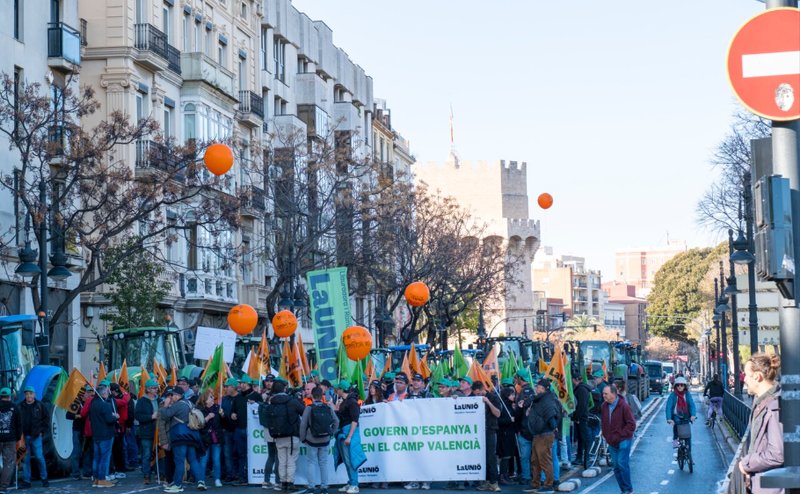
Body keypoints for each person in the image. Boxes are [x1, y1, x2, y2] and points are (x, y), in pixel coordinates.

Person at [739, 353, 783, 494]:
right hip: (765, 483)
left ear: (757, 376)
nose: (744, 379)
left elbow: (777, 454)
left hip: (771, 487)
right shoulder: (763, 402)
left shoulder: (774, 406)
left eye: (746, 375)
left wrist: (746, 464)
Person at [160, 386, 205, 493]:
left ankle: (178, 485)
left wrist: (165, 406)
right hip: (192, 436)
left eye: (172, 395)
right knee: (193, 460)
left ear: (177, 395)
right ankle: (201, 481)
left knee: (179, 461)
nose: (171, 397)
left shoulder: (178, 405)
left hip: (180, 436)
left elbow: (166, 415)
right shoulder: (190, 403)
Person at [299, 386, 339, 494]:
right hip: (325, 439)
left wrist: (302, 438)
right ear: (322, 396)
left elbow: (303, 424)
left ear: (312, 396)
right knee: (323, 463)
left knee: (311, 463)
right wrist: (331, 433)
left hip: (312, 439)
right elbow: (336, 421)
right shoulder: (328, 407)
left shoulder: (309, 408)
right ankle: (324, 487)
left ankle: (311, 486)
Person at [523, 378, 559, 494]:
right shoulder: (539, 399)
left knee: (545, 460)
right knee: (535, 460)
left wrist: (551, 428)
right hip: (538, 434)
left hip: (545, 434)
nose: (536, 388)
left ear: (543, 389)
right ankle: (535, 483)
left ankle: (548, 485)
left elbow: (551, 417)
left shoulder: (547, 400)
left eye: (538, 387)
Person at [269, 378, 305, 492]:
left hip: (278, 436)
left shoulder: (272, 402)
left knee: (282, 460)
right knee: (291, 461)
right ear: (285, 388)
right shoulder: (292, 401)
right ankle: (290, 483)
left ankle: (283, 483)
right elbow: (304, 412)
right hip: (292, 435)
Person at [600, 384, 635, 494]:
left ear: (613, 394)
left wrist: (620, 435)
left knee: (622, 463)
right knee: (615, 466)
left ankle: (628, 489)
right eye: (603, 393)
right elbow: (604, 422)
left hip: (624, 439)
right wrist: (606, 435)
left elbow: (631, 424)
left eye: (606, 393)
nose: (603, 395)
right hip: (611, 441)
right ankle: (623, 489)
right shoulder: (604, 406)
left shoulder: (624, 406)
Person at [335, 380, 365, 494]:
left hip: (348, 433)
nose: (336, 390)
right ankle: (351, 482)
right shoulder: (346, 401)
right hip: (343, 433)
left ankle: (354, 485)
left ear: (342, 389)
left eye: (338, 388)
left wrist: (349, 437)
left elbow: (355, 420)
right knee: (347, 460)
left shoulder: (351, 402)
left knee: (350, 460)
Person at [89, 381, 120, 488]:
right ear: (104, 394)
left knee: (96, 457)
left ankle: (96, 479)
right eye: (107, 391)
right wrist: (115, 416)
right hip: (106, 434)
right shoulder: (105, 405)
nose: (108, 393)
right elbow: (109, 420)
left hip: (96, 434)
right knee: (104, 458)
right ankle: (102, 479)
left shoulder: (92, 404)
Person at [473, 381, 502, 492]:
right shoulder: (474, 397)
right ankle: (486, 482)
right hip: (478, 432)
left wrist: (488, 402)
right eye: (475, 394)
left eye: (479, 393)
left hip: (490, 430)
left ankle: (494, 482)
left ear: (483, 389)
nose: (477, 396)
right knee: (482, 457)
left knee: (491, 457)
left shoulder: (493, 397)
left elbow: (498, 414)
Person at [19, 385, 49, 488]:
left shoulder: (40, 405)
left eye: (30, 394)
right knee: (25, 460)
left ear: (34, 394)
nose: (29, 396)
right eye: (27, 394)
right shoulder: (20, 406)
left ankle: (44, 479)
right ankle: (27, 481)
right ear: (25, 395)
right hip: (24, 437)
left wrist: (42, 431)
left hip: (36, 437)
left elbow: (46, 420)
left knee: (39, 457)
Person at [134, 380, 160, 484]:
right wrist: (151, 417)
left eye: (156, 387)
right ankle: (146, 474)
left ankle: (160, 473)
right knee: (147, 454)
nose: (156, 390)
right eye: (154, 388)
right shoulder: (142, 401)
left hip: (158, 431)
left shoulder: (159, 400)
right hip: (146, 432)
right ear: (148, 389)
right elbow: (137, 416)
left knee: (159, 452)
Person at [66, 385, 92, 481]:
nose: (89, 394)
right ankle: (75, 473)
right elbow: (68, 415)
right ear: (82, 393)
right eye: (87, 392)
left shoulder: (90, 402)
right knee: (76, 452)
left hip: (87, 431)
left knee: (86, 451)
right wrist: (78, 416)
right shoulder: (77, 402)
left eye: (90, 392)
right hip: (77, 430)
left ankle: (87, 472)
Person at [198, 390, 223, 488]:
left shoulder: (217, 408)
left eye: (213, 397)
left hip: (216, 438)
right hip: (205, 439)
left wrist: (223, 416)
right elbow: (198, 424)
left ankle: (217, 479)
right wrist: (207, 417)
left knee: (216, 460)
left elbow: (223, 424)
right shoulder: (200, 410)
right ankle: (201, 480)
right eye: (210, 397)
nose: (213, 399)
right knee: (204, 460)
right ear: (205, 400)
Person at [0, 387, 22, 493]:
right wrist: (17, 438)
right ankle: (3, 487)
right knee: (8, 463)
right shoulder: (15, 407)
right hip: (10, 439)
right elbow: (19, 425)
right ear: (10, 396)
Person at [666, 376, 696, 449]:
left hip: (686, 414)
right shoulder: (673, 395)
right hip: (676, 415)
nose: (680, 387)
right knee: (676, 424)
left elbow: (692, 405)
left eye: (682, 385)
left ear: (684, 386)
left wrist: (693, 415)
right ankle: (675, 440)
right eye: (678, 385)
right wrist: (669, 418)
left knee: (687, 431)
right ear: (675, 386)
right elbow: (668, 407)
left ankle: (689, 454)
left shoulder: (687, 394)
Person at [497, 381, 517, 486]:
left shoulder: (510, 405)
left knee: (509, 455)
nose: (513, 396)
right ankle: (502, 476)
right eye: (511, 394)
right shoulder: (502, 406)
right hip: (504, 435)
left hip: (510, 434)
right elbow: (499, 420)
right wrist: (510, 420)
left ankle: (505, 475)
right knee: (505, 456)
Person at [219, 377, 239, 483]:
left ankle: (237, 473)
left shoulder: (240, 398)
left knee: (237, 453)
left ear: (233, 387)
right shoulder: (224, 399)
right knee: (227, 453)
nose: (225, 388)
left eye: (227, 386)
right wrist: (222, 416)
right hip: (226, 430)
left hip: (238, 430)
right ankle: (230, 474)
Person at [571, 373, 592, 470]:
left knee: (584, 438)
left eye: (572, 379)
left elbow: (581, 405)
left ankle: (586, 457)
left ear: (575, 379)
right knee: (580, 438)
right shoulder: (581, 388)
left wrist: (577, 417)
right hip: (580, 417)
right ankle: (579, 457)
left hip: (581, 418)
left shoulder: (581, 390)